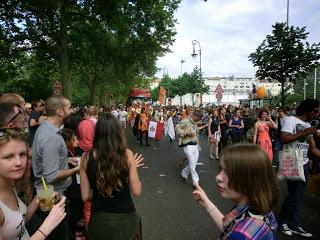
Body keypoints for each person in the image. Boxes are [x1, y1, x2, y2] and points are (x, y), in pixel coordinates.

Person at [193, 144, 278, 239]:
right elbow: (228, 227)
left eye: (229, 173)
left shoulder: (240, 236)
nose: (218, 177)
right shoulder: (260, 208)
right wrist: (207, 202)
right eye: (221, 169)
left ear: (250, 180)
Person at [80, 113, 143, 240]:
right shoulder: (127, 154)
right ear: (118, 131)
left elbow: (85, 196)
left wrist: (101, 190)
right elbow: (137, 191)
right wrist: (132, 167)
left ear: (97, 132)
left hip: (98, 219)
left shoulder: (86, 157)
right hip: (126, 218)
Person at [0, 128, 67, 240]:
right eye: (8, 157)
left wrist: (38, 198)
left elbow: (18, 223)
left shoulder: (10, 183)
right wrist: (48, 225)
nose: (19, 162)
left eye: (22, 154)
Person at [32, 95, 79, 239]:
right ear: (60, 112)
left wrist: (67, 159)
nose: (72, 111)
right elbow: (51, 176)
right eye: (69, 108)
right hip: (53, 196)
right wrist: (77, 169)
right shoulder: (51, 137)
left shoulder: (46, 128)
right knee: (59, 234)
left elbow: (48, 159)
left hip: (47, 193)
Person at [278, 99, 320, 238]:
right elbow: (283, 138)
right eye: (315, 110)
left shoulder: (307, 125)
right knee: (294, 195)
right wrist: (304, 133)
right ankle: (283, 221)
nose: (317, 113)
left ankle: (295, 224)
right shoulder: (291, 120)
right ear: (307, 110)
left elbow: (312, 148)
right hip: (292, 163)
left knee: (299, 196)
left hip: (304, 164)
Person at [176, 109, 204, 189]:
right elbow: (177, 127)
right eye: (199, 118)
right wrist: (185, 133)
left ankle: (184, 173)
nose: (200, 120)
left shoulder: (194, 122)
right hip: (188, 145)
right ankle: (196, 183)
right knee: (192, 164)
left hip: (195, 145)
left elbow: (195, 131)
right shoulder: (186, 121)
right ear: (196, 116)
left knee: (193, 163)